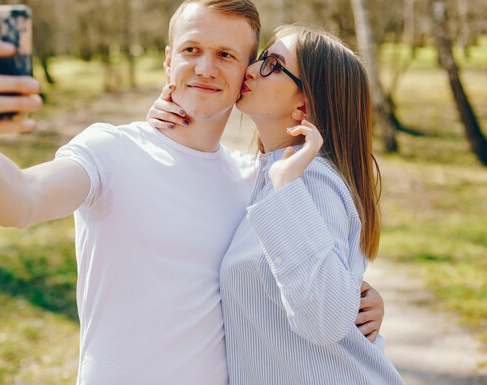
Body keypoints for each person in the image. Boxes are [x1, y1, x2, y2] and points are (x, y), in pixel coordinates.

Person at [0, 0, 384, 385]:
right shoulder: (112, 150)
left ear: (245, 76)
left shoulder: (256, 181)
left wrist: (360, 298)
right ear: (168, 60)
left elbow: (309, 275)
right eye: (191, 49)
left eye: (227, 56)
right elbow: (21, 201)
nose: (205, 68)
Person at [148, 25, 404, 383]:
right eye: (260, 57)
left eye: (272, 64)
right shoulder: (267, 176)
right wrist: (170, 118)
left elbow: (326, 318)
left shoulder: (308, 180)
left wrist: (286, 187)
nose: (251, 69)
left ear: (305, 104)